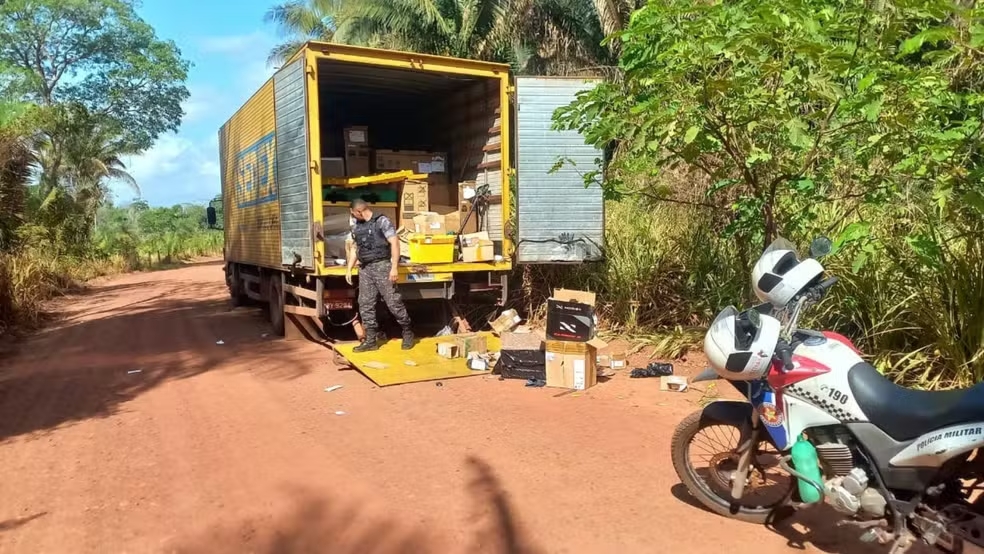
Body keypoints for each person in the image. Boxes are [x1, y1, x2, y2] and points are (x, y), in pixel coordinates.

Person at [345, 199, 414, 351]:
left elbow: (395, 243)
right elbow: (356, 249)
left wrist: (394, 268)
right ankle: (370, 341)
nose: (353, 218)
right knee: (365, 304)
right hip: (365, 269)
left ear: (358, 211)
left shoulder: (382, 222)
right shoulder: (357, 226)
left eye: (353, 214)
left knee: (393, 303)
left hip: (382, 266)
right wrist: (349, 268)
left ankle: (407, 332)